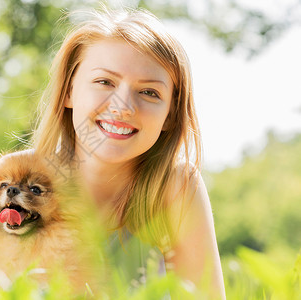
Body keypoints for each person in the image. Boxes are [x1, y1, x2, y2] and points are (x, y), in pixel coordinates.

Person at [32, 7, 226, 298]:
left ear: (170, 116)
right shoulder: (19, 184)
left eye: (149, 92)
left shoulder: (174, 187)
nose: (123, 106)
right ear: (69, 92)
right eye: (104, 82)